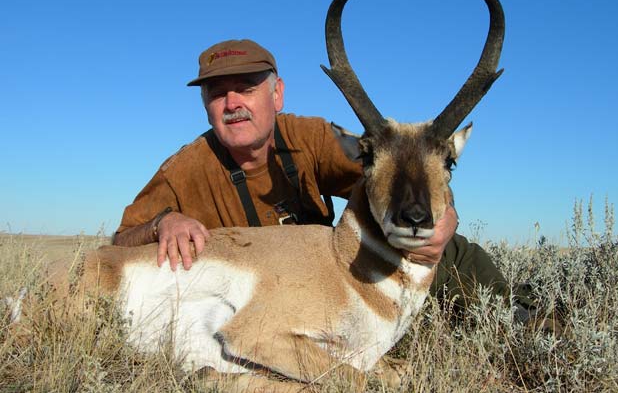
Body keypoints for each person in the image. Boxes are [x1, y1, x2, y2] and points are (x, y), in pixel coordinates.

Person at [113, 39, 528, 314]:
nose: (232, 102)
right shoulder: (185, 169)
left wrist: (444, 219)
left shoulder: (309, 138)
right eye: (218, 92)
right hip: (264, 301)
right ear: (205, 104)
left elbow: (397, 177)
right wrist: (162, 223)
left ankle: (523, 319)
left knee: (445, 249)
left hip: (329, 277)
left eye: (246, 87)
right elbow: (122, 238)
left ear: (277, 94)